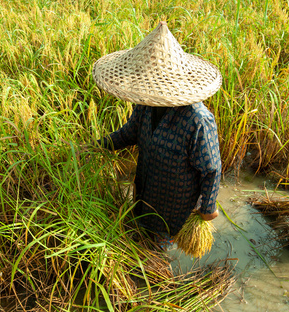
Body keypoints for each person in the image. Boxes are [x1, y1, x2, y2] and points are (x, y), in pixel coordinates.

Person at [91, 21, 222, 246]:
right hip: (145, 192)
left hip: (173, 206)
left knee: (157, 250)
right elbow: (129, 134)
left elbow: (211, 170)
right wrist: (97, 145)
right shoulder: (147, 104)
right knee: (140, 236)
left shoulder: (198, 120)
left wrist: (207, 209)